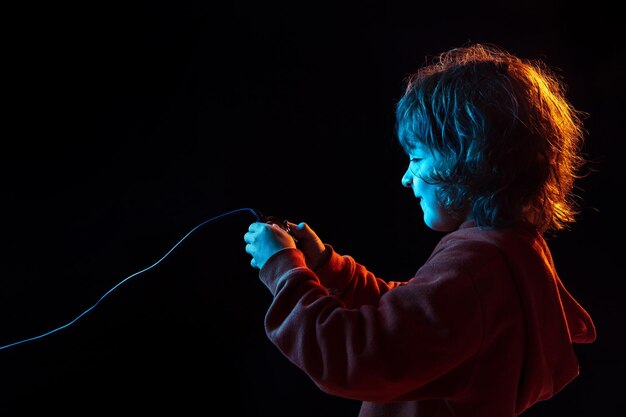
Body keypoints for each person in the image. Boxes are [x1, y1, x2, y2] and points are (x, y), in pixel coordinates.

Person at [243, 43, 596, 417]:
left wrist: (284, 269)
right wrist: (331, 270)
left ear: (470, 159)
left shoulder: (475, 266)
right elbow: (410, 321)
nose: (406, 178)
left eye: (417, 157)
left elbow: (360, 356)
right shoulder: (512, 253)